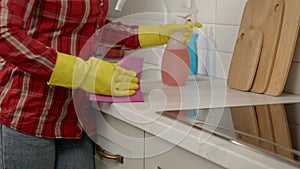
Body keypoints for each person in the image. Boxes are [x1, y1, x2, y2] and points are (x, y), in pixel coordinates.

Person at [0, 0, 196, 168]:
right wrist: (84, 74)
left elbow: (95, 31)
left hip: (75, 117)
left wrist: (157, 33)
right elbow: (4, 33)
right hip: (29, 114)